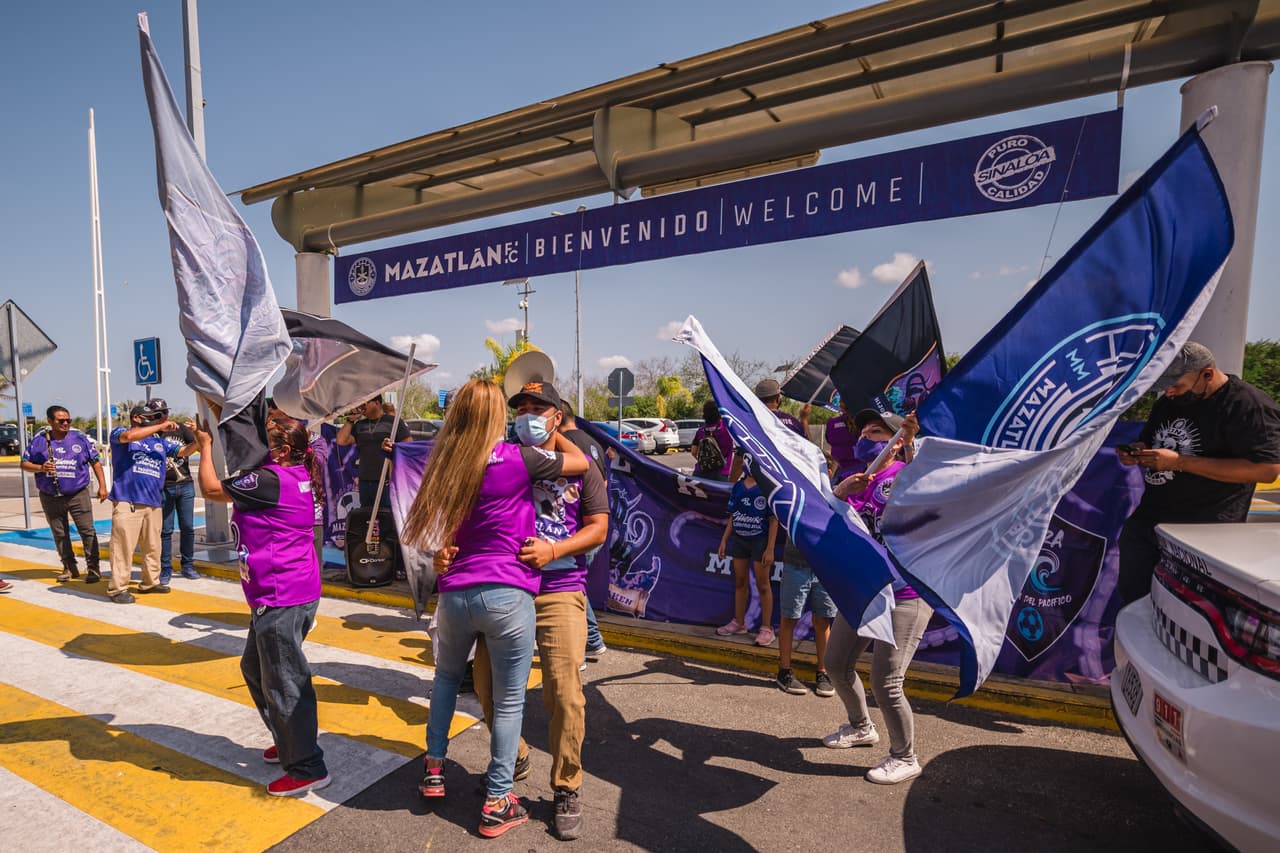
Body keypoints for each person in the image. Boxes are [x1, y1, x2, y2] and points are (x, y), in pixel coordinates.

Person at [403, 378, 587, 839]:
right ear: (497, 418)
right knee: (508, 703)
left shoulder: (448, 461)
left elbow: (446, 531)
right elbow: (581, 462)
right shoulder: (515, 459)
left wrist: (447, 553)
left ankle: (433, 769)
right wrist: (556, 424)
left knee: (446, 682)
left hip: (455, 595)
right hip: (507, 593)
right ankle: (498, 799)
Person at [464, 382, 608, 840]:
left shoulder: (582, 467)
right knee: (485, 687)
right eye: (520, 408)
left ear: (556, 415)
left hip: (559, 589)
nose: (527, 414)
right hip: (504, 588)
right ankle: (516, 755)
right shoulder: (500, 458)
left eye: (537, 408)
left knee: (564, 692)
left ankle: (566, 785)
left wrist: (555, 549)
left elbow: (599, 527)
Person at [194, 410, 331, 797]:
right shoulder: (294, 473)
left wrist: (205, 447)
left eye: (268, 440)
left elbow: (209, 489)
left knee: (286, 683)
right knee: (255, 668)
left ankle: (307, 767)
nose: (259, 445)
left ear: (283, 450)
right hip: (287, 593)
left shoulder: (270, 480)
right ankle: (290, 742)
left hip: (281, 596)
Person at [1117, 342, 1280, 604]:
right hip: (1149, 523)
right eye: (1165, 386)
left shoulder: (1247, 405)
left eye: (1177, 385)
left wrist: (1179, 462)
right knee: (1134, 605)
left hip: (1203, 533)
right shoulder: (1169, 401)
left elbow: (1267, 470)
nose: (1170, 392)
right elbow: (1151, 440)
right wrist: (1137, 451)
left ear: (1207, 374)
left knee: (1184, 614)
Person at [824, 410, 931, 785]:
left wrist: (911, 442)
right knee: (835, 663)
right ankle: (861, 727)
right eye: (865, 430)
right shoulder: (860, 481)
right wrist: (840, 494)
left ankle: (905, 756)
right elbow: (834, 526)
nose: (866, 436)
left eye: (877, 431)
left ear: (896, 440)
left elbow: (920, 487)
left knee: (886, 679)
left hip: (906, 593)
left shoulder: (902, 474)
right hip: (866, 590)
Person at [106, 400, 184, 602]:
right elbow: (128, 436)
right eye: (150, 418)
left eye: (156, 418)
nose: (154, 421)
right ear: (136, 418)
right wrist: (160, 426)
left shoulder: (158, 442)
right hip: (128, 501)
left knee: (153, 546)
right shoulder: (121, 433)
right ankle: (117, 588)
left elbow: (181, 452)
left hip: (153, 501)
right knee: (123, 547)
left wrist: (201, 440)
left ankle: (150, 582)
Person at [20, 406, 109, 582]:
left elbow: (95, 463)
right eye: (61, 421)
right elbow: (24, 463)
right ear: (50, 421)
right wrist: (41, 467)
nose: (66, 423)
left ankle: (93, 568)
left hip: (77, 493)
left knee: (87, 531)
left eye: (68, 420)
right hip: (50, 495)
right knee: (60, 533)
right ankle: (69, 567)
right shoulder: (39, 442)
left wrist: (103, 486)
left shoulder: (80, 439)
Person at [558, 400, 609, 660]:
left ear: (557, 417)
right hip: (593, 522)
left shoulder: (567, 445)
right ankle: (590, 639)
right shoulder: (593, 442)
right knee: (574, 583)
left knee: (570, 587)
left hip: (580, 528)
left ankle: (589, 639)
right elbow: (604, 482)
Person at [715, 456, 779, 646]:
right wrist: (724, 540)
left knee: (763, 584)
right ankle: (739, 622)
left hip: (760, 541)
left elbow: (773, 519)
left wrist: (770, 548)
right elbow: (734, 515)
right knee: (740, 581)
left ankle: (767, 628)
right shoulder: (739, 486)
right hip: (740, 540)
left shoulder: (767, 486)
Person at [775, 540, 837, 697]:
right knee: (789, 618)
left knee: (823, 620)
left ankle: (823, 673)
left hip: (826, 565)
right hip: (796, 563)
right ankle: (784, 672)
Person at [335, 395, 409, 509]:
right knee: (367, 519)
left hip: (387, 482)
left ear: (377, 403)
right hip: (365, 482)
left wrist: (395, 472)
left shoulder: (394, 422)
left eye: (365, 403)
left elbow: (408, 445)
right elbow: (341, 440)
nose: (362, 407)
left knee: (387, 519)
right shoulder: (360, 425)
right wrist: (350, 420)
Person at [160, 419, 199, 582]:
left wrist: (197, 433)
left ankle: (187, 565)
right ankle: (165, 568)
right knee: (166, 530)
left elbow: (195, 446)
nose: (162, 416)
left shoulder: (180, 429)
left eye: (164, 412)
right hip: (164, 485)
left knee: (188, 527)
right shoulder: (153, 432)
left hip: (185, 484)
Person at [692, 398, 733, 482]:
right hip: (721, 474)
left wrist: (707, 461)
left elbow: (694, 452)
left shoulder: (700, 431)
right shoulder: (728, 430)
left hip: (699, 473)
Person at [824, 398, 861, 482]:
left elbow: (829, 440)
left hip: (837, 471)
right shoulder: (864, 424)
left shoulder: (831, 423)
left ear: (841, 405)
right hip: (860, 471)